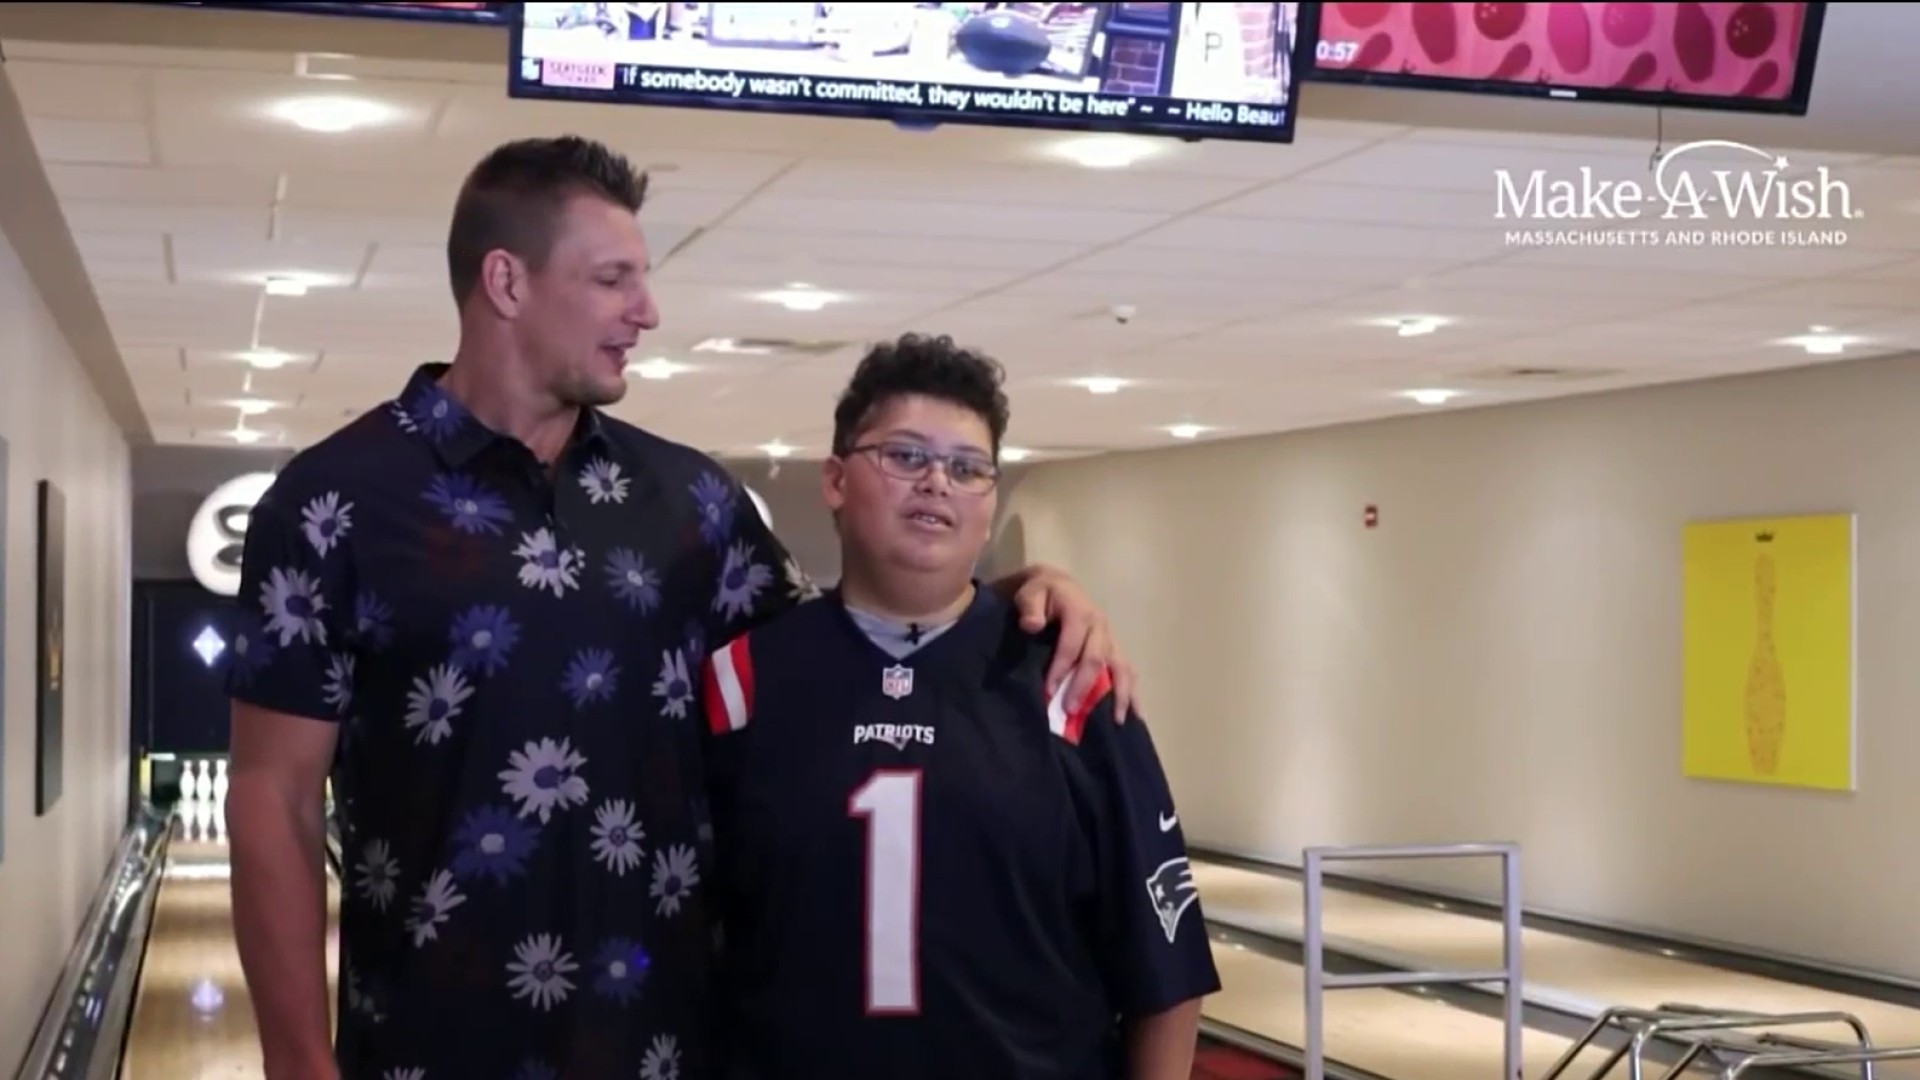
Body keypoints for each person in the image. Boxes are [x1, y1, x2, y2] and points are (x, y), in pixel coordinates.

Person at [222, 135, 1134, 1080]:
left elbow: (849, 641)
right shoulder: (334, 504)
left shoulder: (693, 506)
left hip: (670, 1051)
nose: (646, 312)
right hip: (428, 1047)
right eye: (613, 279)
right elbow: (274, 796)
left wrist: (1021, 594)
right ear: (507, 281)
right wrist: (298, 1062)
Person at [699, 333, 1219, 1080]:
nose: (937, 482)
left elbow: (1164, 967)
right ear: (837, 480)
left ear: (991, 499)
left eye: (967, 467)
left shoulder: (1071, 685)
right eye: (905, 455)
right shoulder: (743, 682)